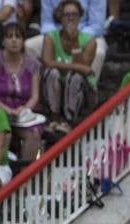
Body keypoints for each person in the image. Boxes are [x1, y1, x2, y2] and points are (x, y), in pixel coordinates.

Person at [0, 22, 44, 164]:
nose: (14, 40)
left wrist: (25, 109)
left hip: (23, 114)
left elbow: (35, 96)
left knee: (34, 133)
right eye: (9, 37)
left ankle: (27, 174)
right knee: (4, 131)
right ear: (3, 41)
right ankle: (0, 169)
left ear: (23, 41)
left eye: (18, 36)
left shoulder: (32, 64)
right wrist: (7, 109)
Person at [39, 0, 97, 132]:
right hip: (56, 83)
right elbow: (47, 62)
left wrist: (74, 41)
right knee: (52, 73)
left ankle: (69, 120)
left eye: (74, 14)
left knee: (75, 77)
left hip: (82, 90)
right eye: (67, 14)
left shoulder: (89, 40)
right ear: (60, 17)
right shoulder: (50, 37)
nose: (71, 18)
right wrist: (79, 68)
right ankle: (54, 118)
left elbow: (83, 66)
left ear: (80, 17)